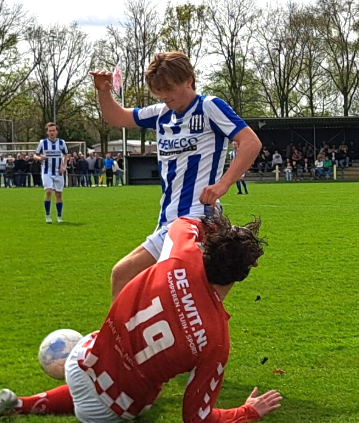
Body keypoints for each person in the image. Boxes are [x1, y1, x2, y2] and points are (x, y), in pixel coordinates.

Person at [0, 212, 282, 423]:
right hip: (110, 410)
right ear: (246, 272)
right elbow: (196, 419)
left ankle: (21, 404)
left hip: (81, 362)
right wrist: (247, 411)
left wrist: (214, 228)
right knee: (131, 390)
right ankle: (28, 403)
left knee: (105, 360)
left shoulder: (181, 255)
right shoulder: (216, 339)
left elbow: (184, 222)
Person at [91, 51, 260, 299]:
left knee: (123, 274)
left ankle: (119, 329)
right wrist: (103, 91)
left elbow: (251, 142)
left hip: (194, 217)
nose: (164, 96)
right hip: (169, 218)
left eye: (168, 88)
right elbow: (118, 117)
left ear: (188, 80)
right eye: (158, 90)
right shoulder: (161, 113)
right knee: (184, 293)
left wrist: (223, 184)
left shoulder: (209, 107)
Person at [34, 122, 69, 224]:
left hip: (58, 172)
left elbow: (66, 155)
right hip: (47, 171)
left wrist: (64, 166)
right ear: (47, 132)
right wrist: (40, 158)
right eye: (50, 131)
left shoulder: (62, 142)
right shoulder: (43, 142)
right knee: (49, 191)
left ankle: (59, 216)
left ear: (57, 132)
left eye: (53, 130)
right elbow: (35, 155)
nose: (52, 132)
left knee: (58, 194)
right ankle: (48, 215)